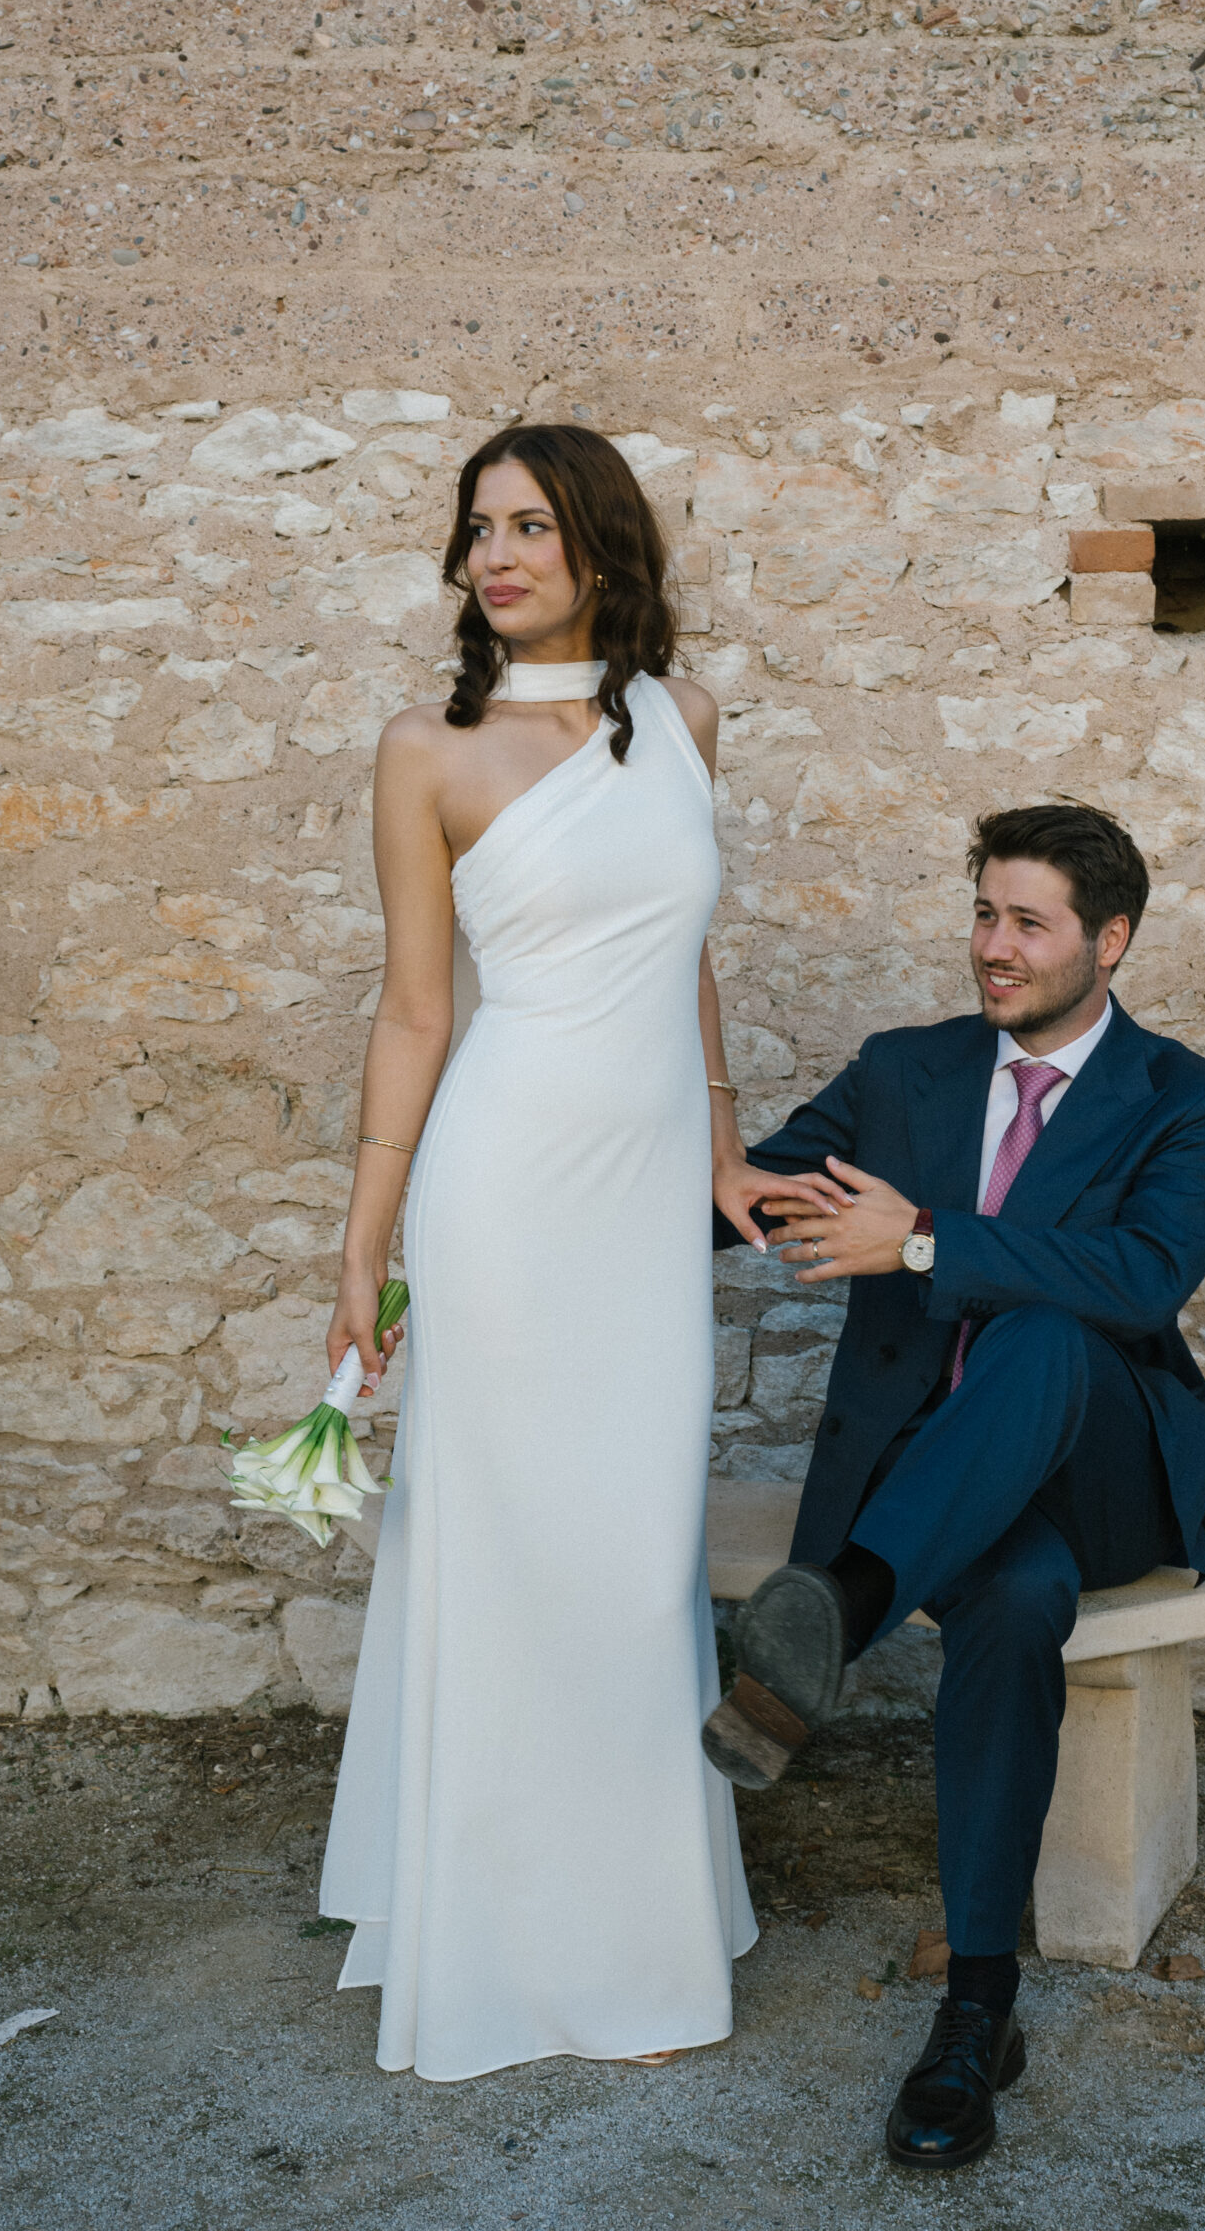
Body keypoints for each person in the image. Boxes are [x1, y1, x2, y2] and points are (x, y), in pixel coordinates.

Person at [318, 423, 832, 2079]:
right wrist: (366, 1241)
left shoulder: (685, 721)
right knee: (512, 1550)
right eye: (478, 531)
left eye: (530, 525)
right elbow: (416, 1008)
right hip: (504, 1192)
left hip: (634, 1208)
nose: (498, 556)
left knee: (627, 1560)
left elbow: (675, 950)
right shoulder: (428, 748)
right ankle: (498, 1945)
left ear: (603, 542)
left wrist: (725, 1139)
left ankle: (637, 1929)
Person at [703, 804, 1205, 2170]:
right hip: (937, 1489)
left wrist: (923, 1242)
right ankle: (975, 2018)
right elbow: (759, 1192)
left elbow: (1140, 1281)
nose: (994, 949)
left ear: (1110, 940)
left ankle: (836, 1607)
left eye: (1029, 923)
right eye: (983, 915)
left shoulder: (1192, 1100)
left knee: (1059, 1331)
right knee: (1013, 1605)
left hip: (1102, 1476)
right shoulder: (908, 1074)